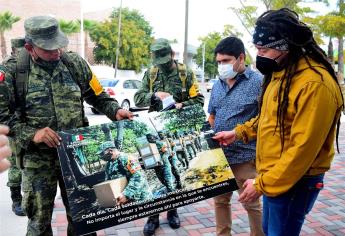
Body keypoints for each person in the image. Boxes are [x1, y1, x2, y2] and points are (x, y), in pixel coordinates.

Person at [213, 8, 344, 236]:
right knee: (270, 230)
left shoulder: (314, 84)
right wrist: (238, 133)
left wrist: (261, 184)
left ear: (285, 46)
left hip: (296, 180)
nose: (259, 55)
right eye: (257, 48)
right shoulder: (281, 72)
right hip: (275, 175)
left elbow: (302, 149)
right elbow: (268, 119)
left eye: (263, 49)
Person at [0, 15, 133, 236]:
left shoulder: (75, 63)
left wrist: (115, 110)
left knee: (87, 218)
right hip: (38, 163)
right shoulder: (12, 72)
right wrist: (33, 133)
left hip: (77, 156)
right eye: (48, 49)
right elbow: (2, 116)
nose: (56, 52)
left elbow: (98, 96)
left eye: (59, 46)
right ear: (29, 47)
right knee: (38, 224)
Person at [134, 38, 204, 236]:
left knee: (171, 170)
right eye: (159, 61)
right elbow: (138, 98)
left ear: (172, 55)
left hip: (172, 131)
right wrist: (154, 96)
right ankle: (152, 217)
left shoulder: (185, 74)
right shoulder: (151, 74)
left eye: (165, 60)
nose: (163, 65)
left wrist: (183, 105)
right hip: (152, 130)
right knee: (152, 170)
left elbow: (198, 100)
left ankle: (172, 210)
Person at [208, 36, 264, 236]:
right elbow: (212, 115)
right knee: (220, 202)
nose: (222, 66)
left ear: (240, 58)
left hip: (245, 157)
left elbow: (265, 120)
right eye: (219, 62)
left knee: (252, 203)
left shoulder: (258, 82)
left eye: (226, 61)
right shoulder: (217, 85)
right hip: (220, 158)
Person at [2, 37, 26, 216]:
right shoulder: (8, 68)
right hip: (12, 123)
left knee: (25, 163)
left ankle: (26, 199)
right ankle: (16, 200)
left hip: (26, 122)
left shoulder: (27, 65)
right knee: (16, 163)